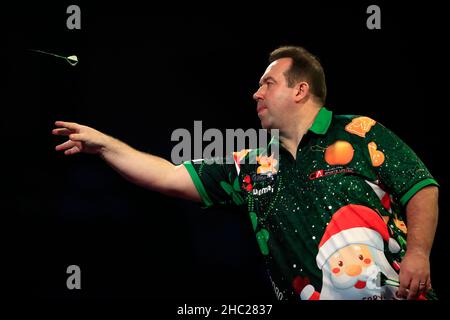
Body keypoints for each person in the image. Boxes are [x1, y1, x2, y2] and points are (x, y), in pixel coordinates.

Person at [52, 46, 439, 300]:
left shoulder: (358, 131)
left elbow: (420, 187)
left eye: (267, 83)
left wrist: (419, 254)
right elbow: (168, 176)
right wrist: (104, 145)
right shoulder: (251, 167)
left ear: (300, 90)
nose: (256, 94)